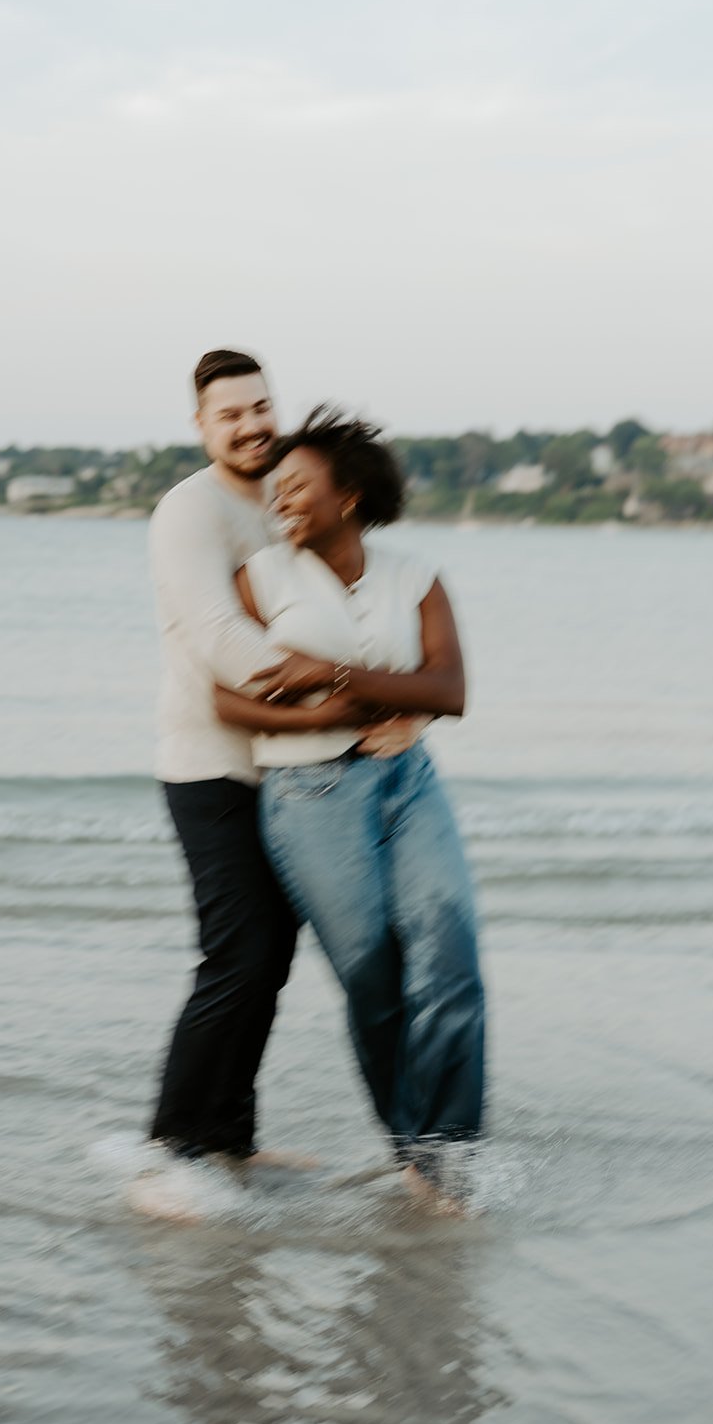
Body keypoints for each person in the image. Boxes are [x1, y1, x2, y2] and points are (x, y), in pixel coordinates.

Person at [141, 352, 418, 1219]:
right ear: (201, 425)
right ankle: (169, 1149)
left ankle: (230, 1141)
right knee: (236, 956)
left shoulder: (282, 495)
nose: (252, 424)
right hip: (210, 764)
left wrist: (400, 699)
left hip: (292, 771)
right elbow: (223, 639)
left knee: (269, 960)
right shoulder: (188, 511)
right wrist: (357, 699)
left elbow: (344, 591)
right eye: (231, 414)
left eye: (261, 406)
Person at [214, 407, 486, 1210]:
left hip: (409, 780)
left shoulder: (415, 575)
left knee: (452, 962)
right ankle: (414, 1152)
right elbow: (229, 701)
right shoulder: (259, 579)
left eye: (299, 485)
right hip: (309, 795)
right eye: (276, 488)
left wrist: (328, 677)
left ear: (351, 495)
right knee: (375, 981)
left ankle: (449, 1161)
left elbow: (450, 691)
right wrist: (338, 714)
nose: (281, 500)